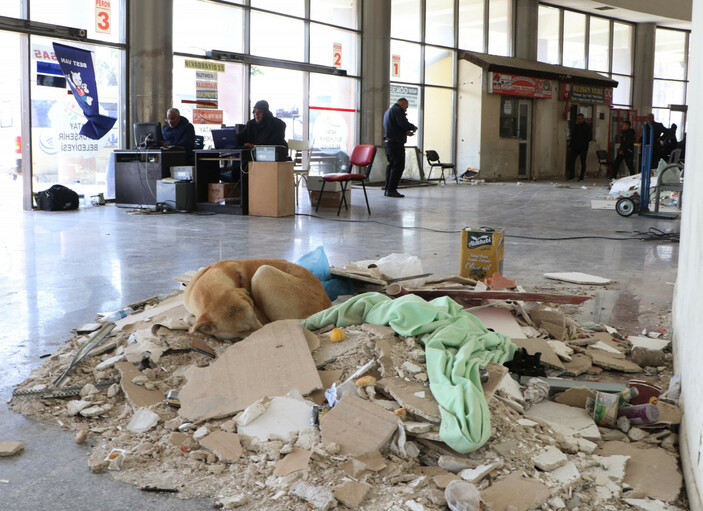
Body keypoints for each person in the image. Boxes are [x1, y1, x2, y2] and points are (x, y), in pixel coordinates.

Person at [382, 98, 417, 198]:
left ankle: (388, 188)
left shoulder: (388, 111)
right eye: (406, 107)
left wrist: (405, 132)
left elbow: (395, 126)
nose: (406, 110)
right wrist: (412, 127)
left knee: (391, 166)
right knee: (398, 166)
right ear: (403, 103)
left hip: (389, 142)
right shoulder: (398, 110)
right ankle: (392, 190)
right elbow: (403, 124)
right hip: (396, 143)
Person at [565, 113, 592, 181]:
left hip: (583, 147)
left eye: (579, 119)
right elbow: (573, 136)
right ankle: (572, 175)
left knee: (583, 161)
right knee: (572, 160)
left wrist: (584, 142)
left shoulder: (587, 126)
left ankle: (581, 176)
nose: (578, 120)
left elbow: (589, 137)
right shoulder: (576, 126)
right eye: (577, 119)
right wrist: (571, 145)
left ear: (583, 119)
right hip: (575, 147)